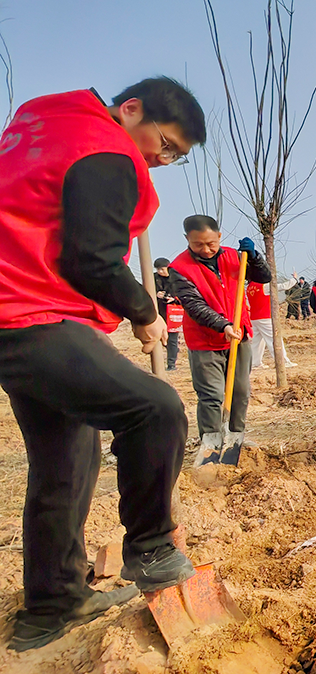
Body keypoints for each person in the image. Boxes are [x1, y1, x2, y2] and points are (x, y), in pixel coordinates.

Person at [0, 78, 205, 650]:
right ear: (131, 109)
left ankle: (51, 605)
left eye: (176, 156)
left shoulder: (42, 121)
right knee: (155, 408)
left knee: (65, 459)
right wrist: (143, 311)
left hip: (17, 312)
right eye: (165, 144)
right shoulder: (107, 149)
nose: (163, 159)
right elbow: (90, 259)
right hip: (30, 312)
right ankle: (152, 547)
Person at [170, 216, 271, 466]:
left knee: (240, 392)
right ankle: (211, 442)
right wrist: (222, 325)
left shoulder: (235, 257)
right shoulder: (179, 268)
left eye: (211, 244)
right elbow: (194, 305)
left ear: (219, 237)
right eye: (198, 245)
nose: (206, 250)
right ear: (187, 240)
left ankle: (235, 437)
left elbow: (263, 277)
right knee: (212, 395)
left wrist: (255, 257)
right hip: (205, 341)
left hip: (239, 336)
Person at [248, 272, 297, 369]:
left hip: (254, 318)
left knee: (256, 342)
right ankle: (283, 361)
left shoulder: (249, 287)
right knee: (274, 340)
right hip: (265, 317)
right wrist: (294, 279)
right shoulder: (264, 286)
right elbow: (283, 286)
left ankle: (255, 363)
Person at [154, 257, 181, 371]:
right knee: (159, 337)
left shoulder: (177, 277)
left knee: (172, 339)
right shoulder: (154, 278)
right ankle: (170, 352)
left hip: (174, 312)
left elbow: (185, 294)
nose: (160, 272)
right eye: (158, 269)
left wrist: (174, 299)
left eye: (162, 269)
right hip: (159, 312)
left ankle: (171, 364)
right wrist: (156, 294)